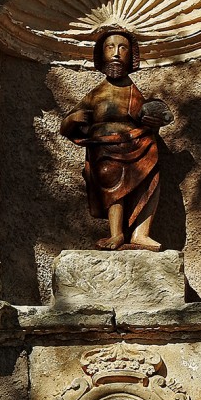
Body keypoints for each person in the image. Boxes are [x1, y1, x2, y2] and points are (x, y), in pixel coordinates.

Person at [60, 29, 172, 251]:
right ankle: (116, 234)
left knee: (151, 177)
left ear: (131, 56)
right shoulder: (97, 93)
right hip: (105, 148)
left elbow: (147, 117)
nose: (116, 53)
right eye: (110, 47)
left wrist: (153, 120)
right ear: (101, 55)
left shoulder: (132, 91)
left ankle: (141, 233)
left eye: (122, 48)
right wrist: (73, 118)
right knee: (111, 180)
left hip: (136, 142)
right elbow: (65, 127)